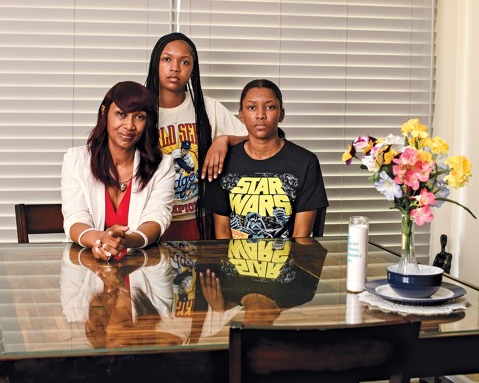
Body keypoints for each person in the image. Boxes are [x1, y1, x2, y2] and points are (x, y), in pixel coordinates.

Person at [145, 32, 247, 241]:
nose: (175, 68)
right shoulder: (141, 110)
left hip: (198, 218)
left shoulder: (209, 108)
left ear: (193, 69)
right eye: (167, 59)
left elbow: (256, 139)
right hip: (150, 220)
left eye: (184, 62)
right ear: (156, 63)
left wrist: (224, 140)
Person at [61, 81, 175, 260]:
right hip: (89, 269)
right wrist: (100, 239)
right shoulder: (76, 160)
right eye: (121, 114)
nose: (130, 125)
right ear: (104, 113)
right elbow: (75, 218)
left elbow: (157, 218)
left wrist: (126, 241)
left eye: (139, 117)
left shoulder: (163, 165)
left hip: (140, 269)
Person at [204, 79, 329, 239]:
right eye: (252, 108)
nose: (261, 115)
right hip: (235, 261)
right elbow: (222, 234)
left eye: (270, 107)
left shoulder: (305, 162)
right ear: (241, 115)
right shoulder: (223, 161)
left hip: (288, 260)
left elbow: (301, 237)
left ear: (281, 114)